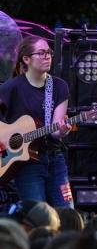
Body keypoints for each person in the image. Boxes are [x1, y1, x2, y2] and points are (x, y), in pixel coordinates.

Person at [0, 37, 73, 208]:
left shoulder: (59, 87)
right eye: (41, 53)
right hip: (26, 165)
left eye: (49, 52)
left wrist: (62, 131)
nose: (47, 56)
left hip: (55, 159)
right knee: (38, 216)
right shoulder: (13, 86)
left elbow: (55, 131)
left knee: (68, 213)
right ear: (26, 59)